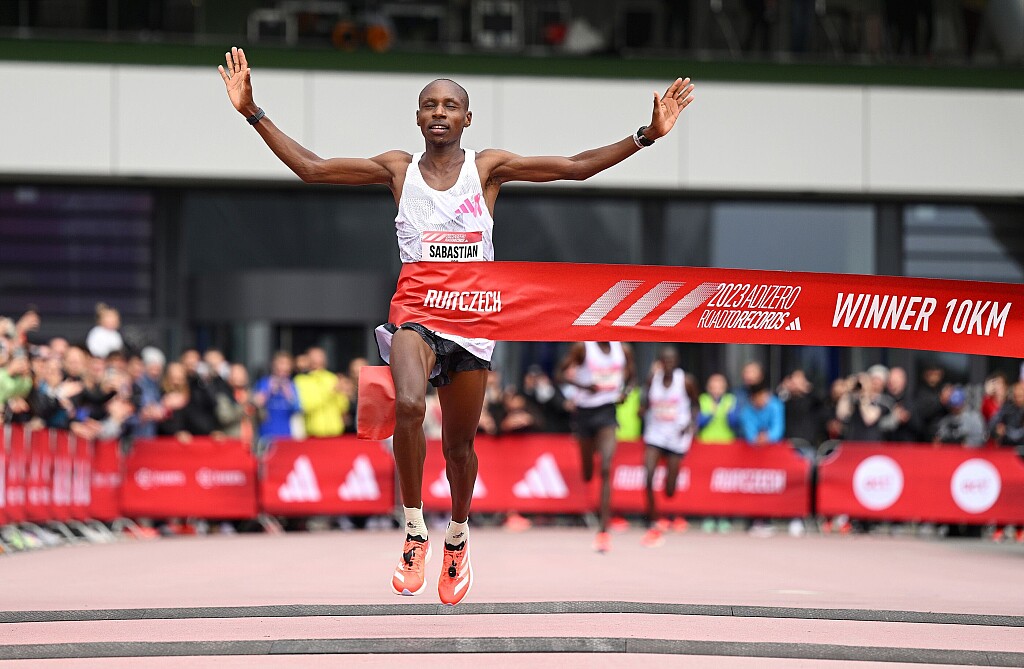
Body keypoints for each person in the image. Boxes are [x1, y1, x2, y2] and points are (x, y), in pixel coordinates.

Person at [219, 46, 694, 603]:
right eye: (430, 105)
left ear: (467, 118)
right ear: (418, 118)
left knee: (459, 449)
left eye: (450, 105)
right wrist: (253, 112)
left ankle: (458, 538)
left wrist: (646, 135)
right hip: (416, 311)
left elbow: (573, 167)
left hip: (473, 318)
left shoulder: (486, 169)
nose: (439, 112)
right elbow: (313, 168)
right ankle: (414, 529)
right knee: (409, 405)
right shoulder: (397, 169)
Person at [559, 341, 637, 553]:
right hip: (584, 413)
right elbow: (561, 374)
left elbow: (632, 375)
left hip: (607, 412)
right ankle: (588, 467)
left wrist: (626, 391)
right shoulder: (583, 348)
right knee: (587, 473)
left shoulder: (623, 349)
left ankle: (603, 530)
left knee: (606, 468)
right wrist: (584, 386)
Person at [640, 346, 698, 548]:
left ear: (677, 361)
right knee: (648, 476)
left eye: (672, 360)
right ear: (660, 362)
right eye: (665, 360)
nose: (668, 364)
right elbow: (645, 400)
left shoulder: (686, 381)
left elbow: (696, 404)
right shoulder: (653, 379)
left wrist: (692, 424)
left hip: (676, 435)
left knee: (670, 490)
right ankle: (652, 519)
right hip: (655, 434)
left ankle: (668, 484)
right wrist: (642, 409)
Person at [698, 373, 739, 443]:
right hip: (706, 441)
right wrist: (710, 413)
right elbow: (699, 423)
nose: (716, 391)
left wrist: (730, 414)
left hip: (727, 441)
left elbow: (735, 424)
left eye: (720, 388)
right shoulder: (703, 399)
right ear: (708, 388)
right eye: (713, 387)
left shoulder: (731, 399)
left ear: (725, 388)